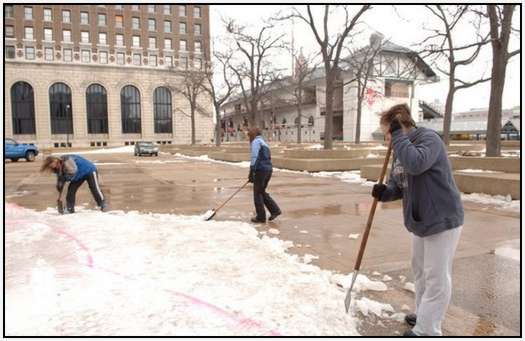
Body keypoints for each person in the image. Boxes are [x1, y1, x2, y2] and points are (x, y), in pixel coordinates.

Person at [372, 104, 463, 336]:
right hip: (420, 220)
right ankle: (424, 313)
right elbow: (400, 181)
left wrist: (398, 138)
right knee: (421, 271)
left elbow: (416, 163)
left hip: (442, 217)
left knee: (436, 276)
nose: (387, 141)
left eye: (388, 134)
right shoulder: (400, 148)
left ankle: (428, 329)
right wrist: (387, 192)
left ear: (399, 127)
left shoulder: (429, 139)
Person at [40, 154, 108, 214]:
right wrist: (59, 187)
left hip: (89, 170)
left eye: (51, 165)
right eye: (50, 167)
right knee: (71, 190)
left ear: (54, 161)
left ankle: (103, 204)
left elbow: (73, 171)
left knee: (94, 188)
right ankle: (70, 209)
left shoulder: (66, 161)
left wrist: (65, 178)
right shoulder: (56, 168)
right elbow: (60, 179)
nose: (51, 167)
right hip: (78, 175)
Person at [247, 128, 281, 223]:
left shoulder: (256, 142)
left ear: (253, 135)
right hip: (268, 170)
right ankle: (275, 210)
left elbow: (255, 157)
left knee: (257, 193)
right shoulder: (263, 142)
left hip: (261, 170)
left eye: (249, 136)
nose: (249, 138)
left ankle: (261, 217)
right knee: (261, 192)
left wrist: (251, 172)